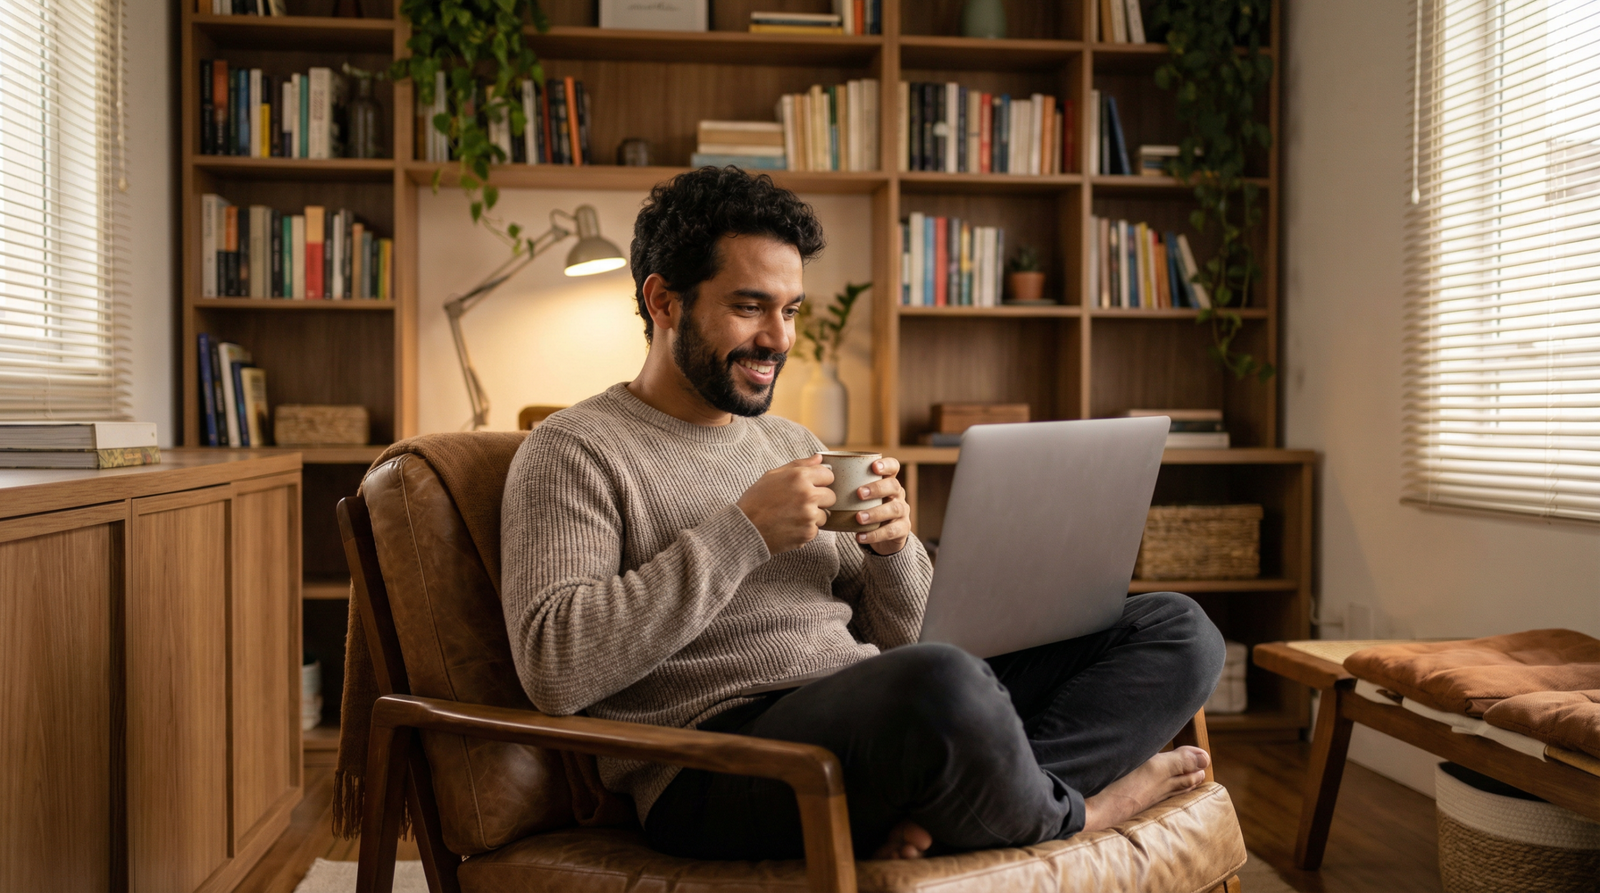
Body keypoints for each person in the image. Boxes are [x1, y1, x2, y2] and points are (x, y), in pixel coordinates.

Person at [500, 167, 1226, 861]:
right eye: (750, 307)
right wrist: (741, 534)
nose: (779, 339)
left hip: (870, 720)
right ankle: (1078, 809)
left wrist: (894, 550)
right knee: (941, 684)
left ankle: (980, 800)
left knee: (1176, 628)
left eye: (789, 311)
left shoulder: (792, 442)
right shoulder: (574, 449)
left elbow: (908, 637)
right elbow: (554, 667)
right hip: (717, 764)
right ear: (664, 302)